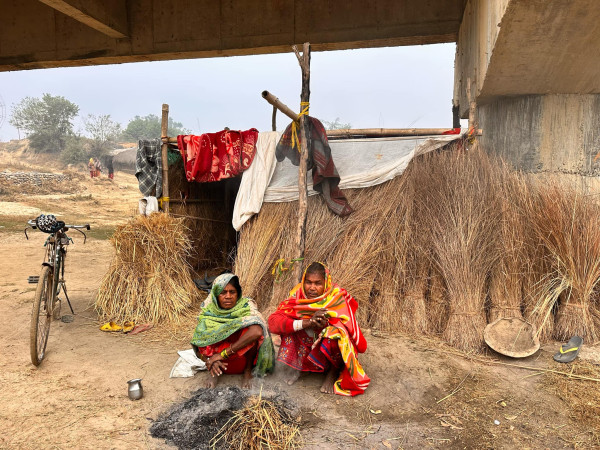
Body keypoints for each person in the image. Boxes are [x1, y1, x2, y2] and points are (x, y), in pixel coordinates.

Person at [268, 262, 370, 396]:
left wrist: (325, 326)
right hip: (307, 341)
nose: (312, 288)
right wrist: (307, 322)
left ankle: (332, 373)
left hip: (326, 346)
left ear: (325, 283)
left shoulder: (336, 297)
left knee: (336, 333)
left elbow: (349, 329)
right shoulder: (297, 295)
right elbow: (273, 322)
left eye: (317, 283)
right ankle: (298, 369)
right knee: (291, 327)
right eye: (308, 282)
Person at [191, 273, 274, 388]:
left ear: (238, 293)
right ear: (216, 294)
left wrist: (223, 354)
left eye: (232, 292)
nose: (228, 296)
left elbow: (257, 332)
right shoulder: (208, 309)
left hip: (241, 357)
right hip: (218, 362)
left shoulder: (246, 306)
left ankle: (247, 372)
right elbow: (198, 344)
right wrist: (210, 360)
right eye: (223, 292)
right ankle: (213, 371)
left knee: (252, 328)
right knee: (205, 332)